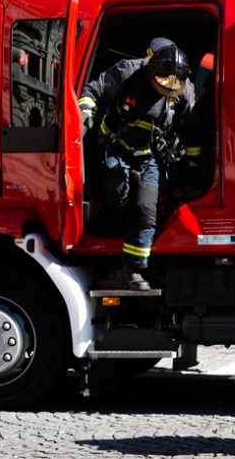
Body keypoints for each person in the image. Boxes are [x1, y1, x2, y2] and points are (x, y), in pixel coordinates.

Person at [77, 37, 201, 291]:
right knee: (116, 192)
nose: (166, 91)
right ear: (152, 70)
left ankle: (133, 270)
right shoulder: (128, 72)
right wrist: (84, 117)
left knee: (146, 209)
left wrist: (192, 163)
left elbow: (191, 127)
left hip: (149, 155)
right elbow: (92, 92)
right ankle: (120, 200)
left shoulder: (185, 91)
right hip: (117, 146)